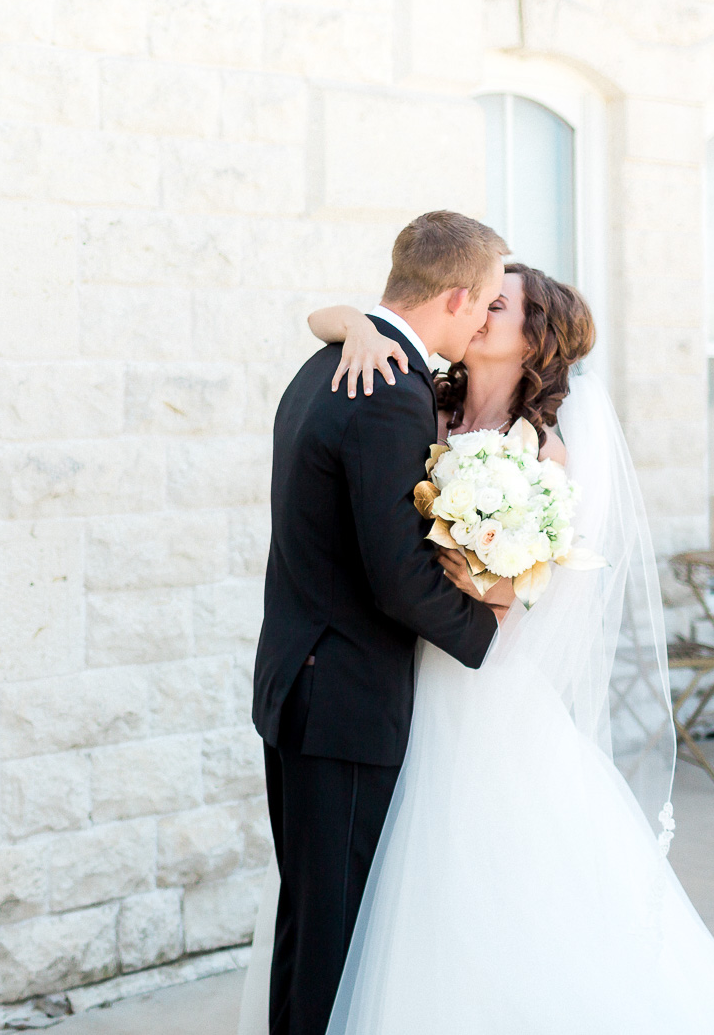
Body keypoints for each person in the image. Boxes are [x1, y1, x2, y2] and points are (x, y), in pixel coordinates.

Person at [239, 262, 714, 1035]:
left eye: (497, 305)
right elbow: (333, 321)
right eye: (477, 298)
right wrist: (362, 323)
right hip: (391, 675)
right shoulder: (418, 399)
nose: (475, 312)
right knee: (362, 889)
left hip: (474, 685)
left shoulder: (543, 457)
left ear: (533, 339)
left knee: (470, 888)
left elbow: (529, 591)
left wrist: (479, 566)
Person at [252, 210, 512, 1035]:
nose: (485, 320)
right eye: (488, 303)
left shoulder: (329, 362)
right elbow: (396, 577)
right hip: (346, 702)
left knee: (312, 917)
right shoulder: (388, 393)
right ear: (457, 296)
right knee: (337, 932)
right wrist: (489, 630)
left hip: (300, 683)